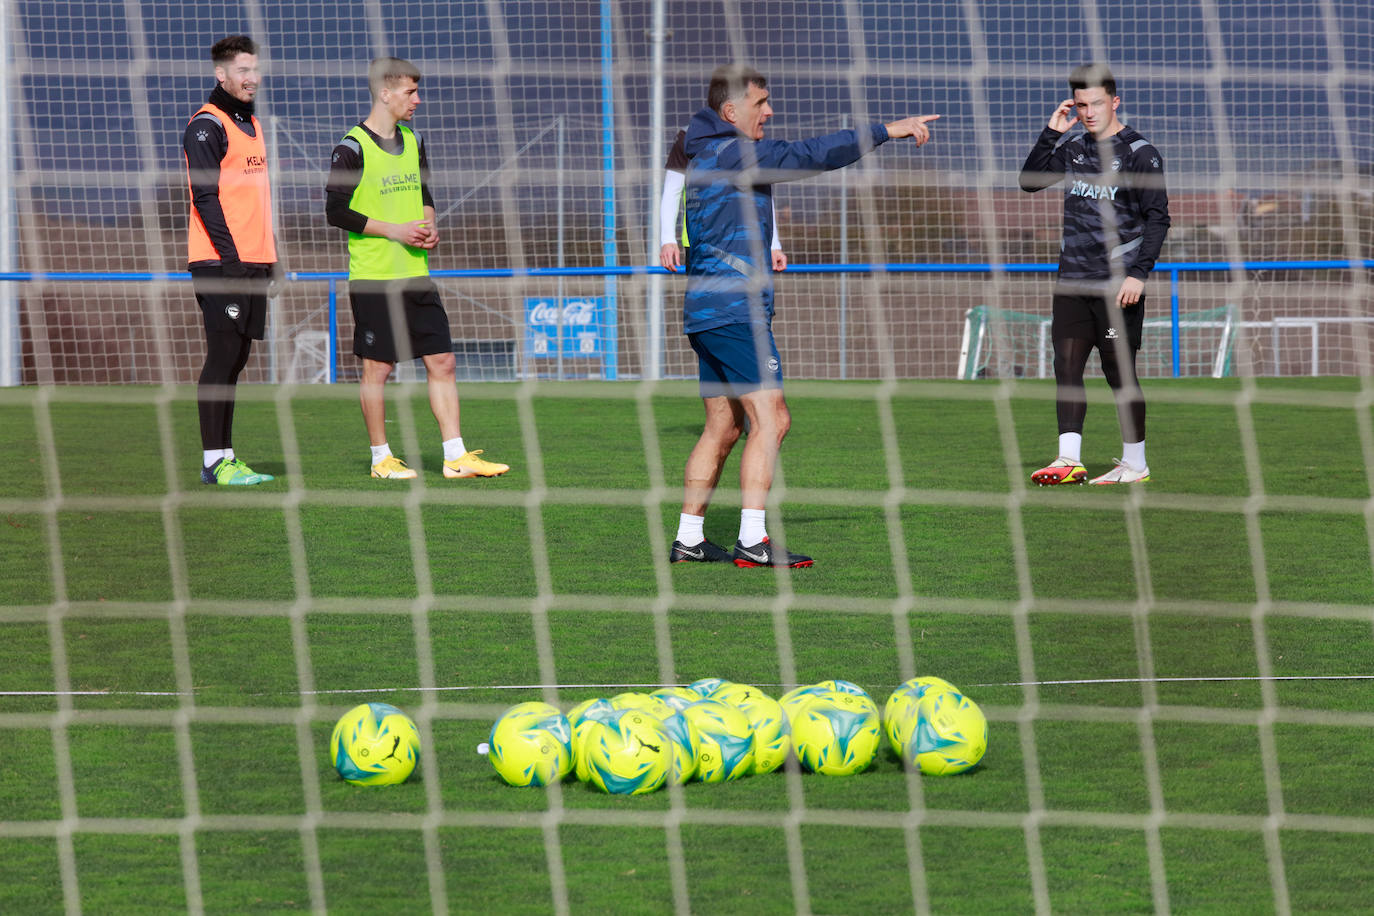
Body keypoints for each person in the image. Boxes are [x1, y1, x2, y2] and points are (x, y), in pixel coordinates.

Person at [668, 65, 938, 567]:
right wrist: (885, 131)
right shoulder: (737, 153)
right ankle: (752, 540)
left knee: (723, 429)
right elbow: (811, 155)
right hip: (735, 312)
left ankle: (689, 537)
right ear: (731, 112)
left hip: (706, 313)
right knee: (773, 419)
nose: (769, 111)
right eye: (760, 103)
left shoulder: (706, 153)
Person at [325, 57, 509, 480]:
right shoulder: (351, 147)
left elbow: (424, 190)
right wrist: (395, 231)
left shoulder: (415, 139)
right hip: (374, 278)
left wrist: (429, 224)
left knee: (442, 361)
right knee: (379, 369)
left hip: (416, 275)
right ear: (385, 93)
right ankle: (380, 460)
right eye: (410, 92)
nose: (417, 100)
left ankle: (456, 456)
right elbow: (336, 211)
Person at [1019, 64, 1170, 485]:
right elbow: (1029, 182)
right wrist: (1052, 133)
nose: (1088, 112)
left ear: (1114, 101)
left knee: (1118, 373)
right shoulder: (1073, 148)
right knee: (1066, 367)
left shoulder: (1141, 152)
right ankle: (1069, 460)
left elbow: (1158, 219)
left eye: (1096, 103)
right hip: (1072, 280)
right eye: (1081, 105)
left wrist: (1138, 275)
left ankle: (1135, 463)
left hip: (1118, 285)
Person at [184, 35, 278, 486]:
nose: (252, 78)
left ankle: (225, 457)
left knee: (237, 357)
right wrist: (234, 260)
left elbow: (253, 201)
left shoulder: (252, 125)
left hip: (250, 262)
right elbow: (205, 199)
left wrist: (267, 256)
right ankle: (213, 461)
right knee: (222, 356)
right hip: (221, 263)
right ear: (221, 74)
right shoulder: (207, 125)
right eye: (243, 70)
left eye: (255, 69)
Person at [659, 128, 787, 274]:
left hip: (747, 243)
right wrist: (668, 240)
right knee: (707, 295)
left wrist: (773, 245)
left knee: (749, 295)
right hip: (702, 244)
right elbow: (672, 191)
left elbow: (762, 194)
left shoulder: (750, 134)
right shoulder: (688, 136)